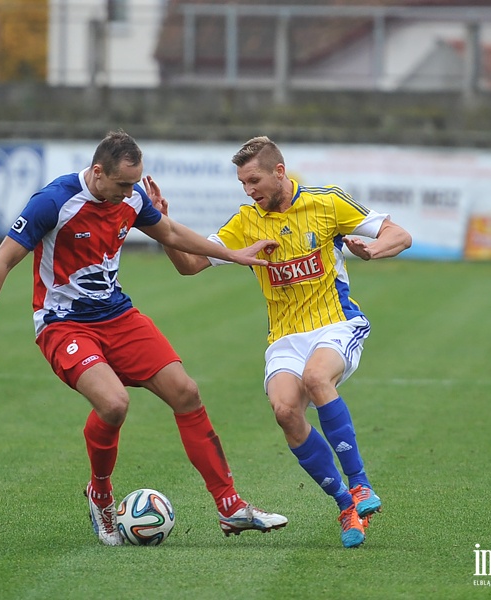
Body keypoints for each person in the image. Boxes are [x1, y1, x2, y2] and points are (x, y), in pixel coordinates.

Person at [0, 130, 288, 546]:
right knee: (114, 404)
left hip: (118, 315)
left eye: (135, 184)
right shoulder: (53, 201)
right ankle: (100, 493)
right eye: (123, 185)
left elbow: (170, 233)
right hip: (64, 323)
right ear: (98, 172)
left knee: (185, 392)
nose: (132, 194)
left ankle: (230, 507)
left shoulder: (130, 198)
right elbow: (1, 261)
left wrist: (234, 255)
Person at [156, 136, 412, 549]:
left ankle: (361, 484)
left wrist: (375, 248)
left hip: (336, 323)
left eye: (254, 180)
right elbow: (190, 265)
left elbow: (399, 233)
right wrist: (163, 229)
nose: (249, 190)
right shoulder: (245, 221)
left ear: (280, 171)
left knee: (316, 377)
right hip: (285, 338)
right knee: (285, 411)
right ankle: (346, 505)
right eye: (242, 183)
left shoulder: (327, 202)